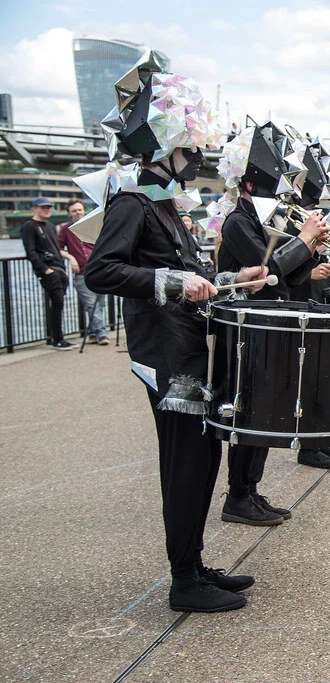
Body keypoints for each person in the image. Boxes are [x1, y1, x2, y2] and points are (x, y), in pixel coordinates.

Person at [84, 62, 268, 613]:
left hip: (189, 350)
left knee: (204, 457)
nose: (195, 159)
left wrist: (234, 277)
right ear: (165, 147)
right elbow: (101, 271)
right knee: (187, 464)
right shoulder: (132, 201)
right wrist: (172, 281)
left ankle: (194, 563)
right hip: (166, 358)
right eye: (188, 149)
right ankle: (184, 582)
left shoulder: (163, 202)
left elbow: (195, 276)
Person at [218, 121, 330, 503]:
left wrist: (310, 248)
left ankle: (250, 491)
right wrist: (303, 239)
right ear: (250, 184)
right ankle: (239, 495)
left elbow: (289, 274)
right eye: (273, 186)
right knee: (251, 412)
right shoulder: (238, 222)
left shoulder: (259, 220)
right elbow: (266, 272)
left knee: (266, 410)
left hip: (269, 323)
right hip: (249, 329)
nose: (279, 193)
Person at [22, 197, 72, 350]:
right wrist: (44, 269)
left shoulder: (50, 226)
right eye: (43, 207)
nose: (46, 210)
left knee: (59, 303)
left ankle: (59, 338)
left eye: (49, 207)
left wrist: (62, 268)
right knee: (56, 303)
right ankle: (57, 339)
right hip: (48, 271)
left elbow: (56, 249)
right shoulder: (29, 226)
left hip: (59, 269)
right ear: (35, 208)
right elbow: (30, 251)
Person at [57, 199, 109, 345]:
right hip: (81, 273)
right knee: (91, 304)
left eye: (79, 210)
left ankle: (92, 333)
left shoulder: (93, 226)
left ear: (84, 210)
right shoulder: (65, 230)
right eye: (74, 211)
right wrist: (70, 257)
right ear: (69, 214)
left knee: (100, 304)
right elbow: (58, 248)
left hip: (98, 270)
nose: (78, 213)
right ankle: (101, 334)